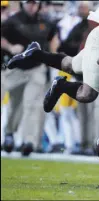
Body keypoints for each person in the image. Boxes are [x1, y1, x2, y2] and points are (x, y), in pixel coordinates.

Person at [1, 0, 58, 156]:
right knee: (15, 105)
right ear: (23, 4)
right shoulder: (12, 21)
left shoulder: (45, 22)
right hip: (17, 69)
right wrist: (10, 47)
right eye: (29, 3)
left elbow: (53, 39)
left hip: (37, 68)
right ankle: (9, 134)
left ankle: (28, 141)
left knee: (32, 105)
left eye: (34, 3)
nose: (32, 6)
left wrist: (53, 58)